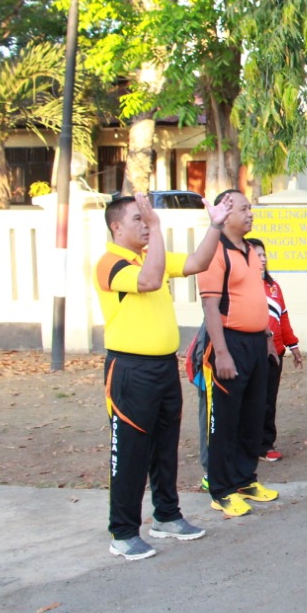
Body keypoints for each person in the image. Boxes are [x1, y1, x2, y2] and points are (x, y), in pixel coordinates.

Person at [95, 192, 229, 560]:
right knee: (132, 451)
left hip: (162, 368)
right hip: (130, 370)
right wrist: (156, 229)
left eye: (146, 218)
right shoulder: (110, 263)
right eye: (137, 219)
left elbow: (197, 261)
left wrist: (215, 225)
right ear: (116, 227)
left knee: (165, 446)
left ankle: (167, 516)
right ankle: (122, 532)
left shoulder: (145, 256)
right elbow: (150, 280)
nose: (145, 222)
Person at [197, 189, 277, 518]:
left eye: (250, 208)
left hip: (256, 343)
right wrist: (223, 354)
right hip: (229, 343)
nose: (250, 213)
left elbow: (256, 300)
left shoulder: (248, 250)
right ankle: (221, 488)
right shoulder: (214, 251)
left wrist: (268, 338)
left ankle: (245, 479)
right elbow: (210, 306)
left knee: (252, 416)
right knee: (224, 421)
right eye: (244, 209)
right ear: (225, 213)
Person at [247, 238, 303, 463]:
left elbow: (283, 317)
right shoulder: (241, 286)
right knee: (252, 399)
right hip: (251, 352)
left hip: (275, 353)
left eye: (263, 255)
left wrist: (293, 345)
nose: (262, 259)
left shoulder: (273, 286)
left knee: (269, 399)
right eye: (257, 255)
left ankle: (265, 444)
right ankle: (248, 442)